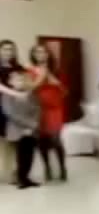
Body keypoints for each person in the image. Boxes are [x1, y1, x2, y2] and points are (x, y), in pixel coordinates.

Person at [28, 44, 68, 182]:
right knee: (42, 141)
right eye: (37, 52)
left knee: (56, 139)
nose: (41, 54)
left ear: (48, 54)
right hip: (38, 109)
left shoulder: (56, 70)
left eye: (43, 52)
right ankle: (47, 168)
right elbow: (29, 89)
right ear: (33, 55)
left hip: (55, 109)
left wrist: (55, 82)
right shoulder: (29, 71)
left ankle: (62, 168)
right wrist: (41, 77)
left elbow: (65, 92)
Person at [2, 71, 40, 189]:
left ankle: (27, 178)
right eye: (17, 80)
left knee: (30, 155)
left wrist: (32, 125)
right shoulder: (7, 96)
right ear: (10, 82)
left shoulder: (30, 94)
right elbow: (10, 113)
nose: (20, 82)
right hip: (16, 130)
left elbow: (37, 109)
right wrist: (27, 125)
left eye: (21, 80)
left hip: (31, 130)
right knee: (20, 156)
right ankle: (21, 179)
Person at [0, 39, 26, 184]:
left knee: (13, 142)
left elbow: (25, 83)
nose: (8, 52)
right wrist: (15, 93)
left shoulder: (18, 67)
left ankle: (13, 174)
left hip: (14, 109)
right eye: (5, 49)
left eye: (10, 49)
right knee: (3, 142)